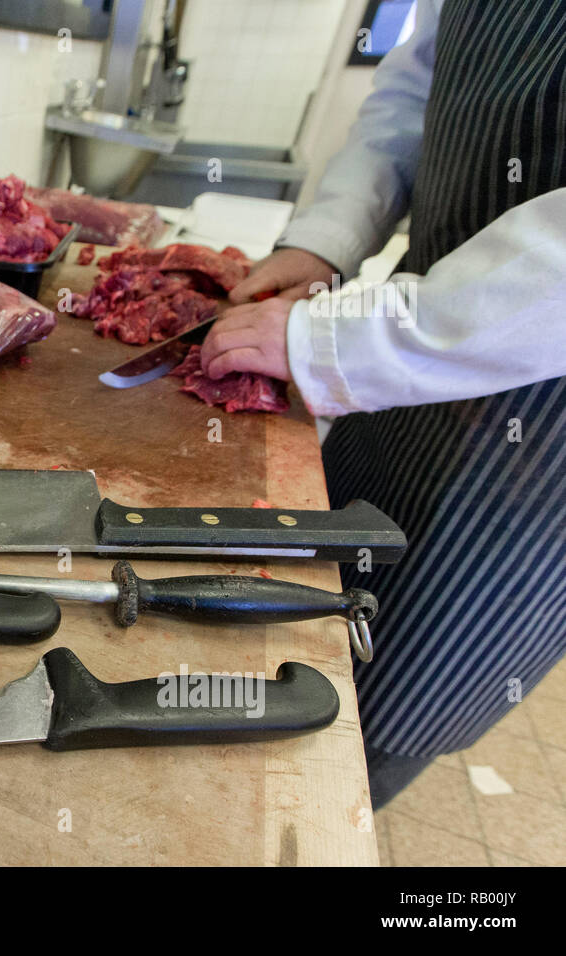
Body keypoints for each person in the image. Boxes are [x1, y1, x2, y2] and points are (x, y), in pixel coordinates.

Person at [199, 0, 566, 807]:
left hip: (540, 457)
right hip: (398, 390)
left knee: (371, 714)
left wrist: (342, 345)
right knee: (280, 613)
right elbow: (417, 89)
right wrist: (324, 240)